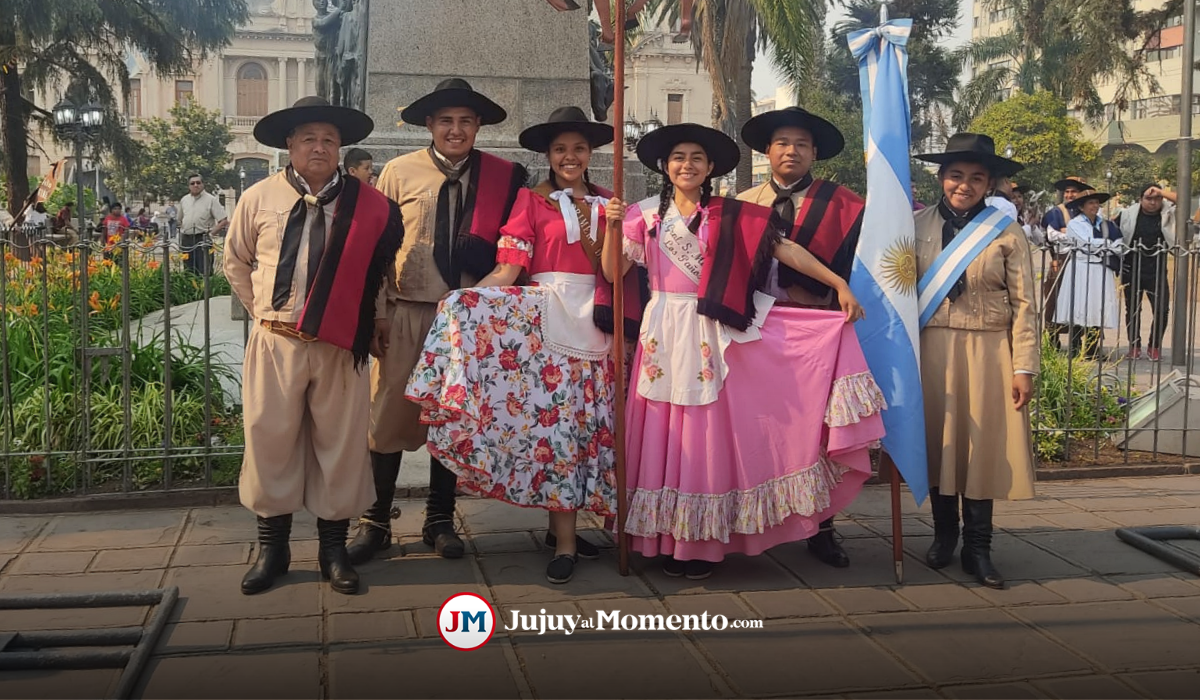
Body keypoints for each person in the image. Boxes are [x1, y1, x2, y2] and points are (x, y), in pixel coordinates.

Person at [603, 123, 883, 580]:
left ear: (710, 167)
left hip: (711, 332)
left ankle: (696, 543)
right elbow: (614, 273)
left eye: (697, 157)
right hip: (662, 332)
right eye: (678, 156)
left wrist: (838, 284)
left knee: (701, 432)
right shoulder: (641, 214)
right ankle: (656, 536)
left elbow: (784, 248)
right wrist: (613, 228)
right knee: (660, 429)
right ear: (664, 165)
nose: (687, 164)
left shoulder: (730, 214)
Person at [406, 106, 641, 584]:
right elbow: (510, 268)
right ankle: (567, 541)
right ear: (548, 156)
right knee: (560, 437)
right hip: (549, 320)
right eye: (560, 150)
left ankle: (568, 530)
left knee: (592, 434)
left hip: (598, 322)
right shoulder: (532, 202)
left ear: (590, 153)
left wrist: (616, 224)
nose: (569, 157)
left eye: (578, 148)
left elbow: (616, 274)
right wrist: (469, 300)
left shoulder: (611, 202)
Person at [223, 96, 403, 596]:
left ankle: (333, 550)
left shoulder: (369, 207)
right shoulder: (258, 198)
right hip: (276, 340)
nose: (319, 147)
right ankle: (273, 550)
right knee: (269, 443)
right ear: (289, 145)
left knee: (341, 446)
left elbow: (379, 275)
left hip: (341, 343)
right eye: (308, 139)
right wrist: (264, 311)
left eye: (328, 139)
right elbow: (235, 262)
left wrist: (379, 319)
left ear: (340, 146)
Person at [347, 78, 527, 564]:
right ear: (429, 125)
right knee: (386, 418)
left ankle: (440, 520)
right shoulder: (398, 173)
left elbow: (516, 249)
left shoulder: (503, 178)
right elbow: (379, 251)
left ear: (478, 127)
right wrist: (378, 312)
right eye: (446, 121)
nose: (455, 129)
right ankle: (375, 521)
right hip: (408, 310)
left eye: (465, 121)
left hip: (464, 319)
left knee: (450, 421)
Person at [735, 105, 865, 569]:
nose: (791, 151)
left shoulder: (845, 205)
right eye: (783, 143)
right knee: (760, 429)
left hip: (814, 332)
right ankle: (761, 519)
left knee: (816, 431)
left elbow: (854, 271)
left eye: (802, 144)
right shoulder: (744, 203)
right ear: (767, 151)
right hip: (754, 334)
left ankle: (823, 527)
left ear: (815, 154)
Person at [913, 133, 1039, 590]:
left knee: (980, 449)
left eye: (976, 178)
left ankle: (979, 547)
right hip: (931, 346)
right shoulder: (915, 226)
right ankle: (944, 537)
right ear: (942, 178)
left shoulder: (1006, 232)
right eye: (955, 176)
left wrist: (1024, 366)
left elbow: (1026, 303)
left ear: (989, 184)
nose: (963, 185)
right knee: (939, 446)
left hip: (988, 349)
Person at [1051, 189, 1122, 360]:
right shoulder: (1075, 224)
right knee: (1078, 306)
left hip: (1100, 268)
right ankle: (1074, 348)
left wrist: (1104, 244)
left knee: (1098, 307)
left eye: (1096, 202)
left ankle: (1091, 349)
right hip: (1081, 268)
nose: (1095, 206)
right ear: (1082, 207)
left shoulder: (1106, 224)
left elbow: (1119, 245)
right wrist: (1106, 244)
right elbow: (1085, 243)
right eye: (1091, 203)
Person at [1115, 185, 1176, 361]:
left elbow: (1183, 200)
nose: (1153, 202)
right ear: (1140, 199)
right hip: (1132, 268)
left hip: (1156, 269)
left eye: (1157, 198)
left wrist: (1160, 191)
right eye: (1148, 198)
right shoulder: (1127, 215)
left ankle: (1154, 345)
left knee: (1162, 309)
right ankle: (1134, 346)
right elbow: (1114, 232)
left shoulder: (1167, 214)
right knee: (1132, 309)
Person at [1041, 176, 1090, 348]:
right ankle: (1052, 339)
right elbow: (1052, 235)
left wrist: (1068, 233)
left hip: (1082, 262)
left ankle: (1076, 340)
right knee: (1054, 300)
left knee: (1079, 301)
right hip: (1061, 261)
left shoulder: (1086, 212)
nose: (1070, 195)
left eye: (1073, 191)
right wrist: (1074, 235)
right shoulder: (1056, 212)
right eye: (1067, 192)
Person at [180, 174, 229, 276]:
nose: (195, 185)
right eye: (192, 183)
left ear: (203, 184)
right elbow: (179, 219)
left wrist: (211, 234)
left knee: (204, 271)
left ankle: (205, 291)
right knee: (188, 271)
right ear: (189, 186)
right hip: (186, 240)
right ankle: (191, 291)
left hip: (203, 239)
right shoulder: (184, 200)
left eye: (198, 182)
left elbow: (223, 220)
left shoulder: (211, 200)